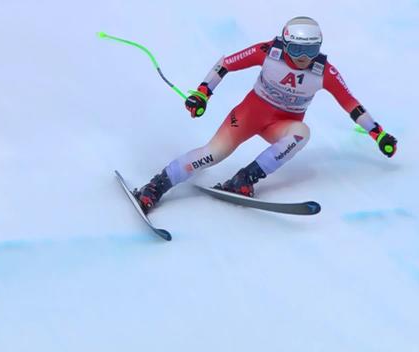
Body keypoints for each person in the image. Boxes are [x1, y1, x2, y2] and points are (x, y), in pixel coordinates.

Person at [132, 16, 398, 213]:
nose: (304, 58)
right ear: (285, 43)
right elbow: (226, 64)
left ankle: (244, 179)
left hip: (282, 125)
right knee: (212, 154)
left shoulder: (324, 72)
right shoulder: (269, 52)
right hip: (249, 115)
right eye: (296, 50)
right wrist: (203, 92)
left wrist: (378, 134)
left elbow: (351, 104)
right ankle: (155, 186)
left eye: (311, 50)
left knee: (302, 134)